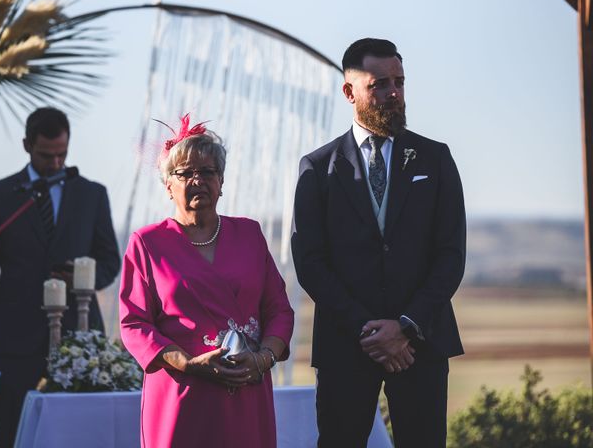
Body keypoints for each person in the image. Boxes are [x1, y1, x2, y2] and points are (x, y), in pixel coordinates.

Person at [291, 38, 466, 448]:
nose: (394, 93)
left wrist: (405, 327)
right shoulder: (317, 169)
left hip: (419, 345)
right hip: (346, 346)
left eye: (399, 82)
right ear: (349, 91)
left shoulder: (435, 159)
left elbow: (451, 254)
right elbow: (310, 262)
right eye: (380, 84)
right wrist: (368, 331)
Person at [119, 114, 294, 448]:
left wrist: (262, 359)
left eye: (208, 172)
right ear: (168, 185)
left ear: (222, 181)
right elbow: (134, 324)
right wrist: (186, 363)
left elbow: (280, 311)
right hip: (181, 394)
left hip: (245, 391)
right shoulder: (147, 243)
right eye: (185, 173)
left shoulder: (250, 234)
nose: (198, 180)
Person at [0, 107, 121, 448]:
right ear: (26, 145)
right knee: (4, 434)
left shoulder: (92, 194)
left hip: (78, 338)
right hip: (13, 341)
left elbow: (111, 261)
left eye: (62, 155)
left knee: (81, 435)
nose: (55, 163)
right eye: (46, 155)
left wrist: (83, 277)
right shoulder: (0, 195)